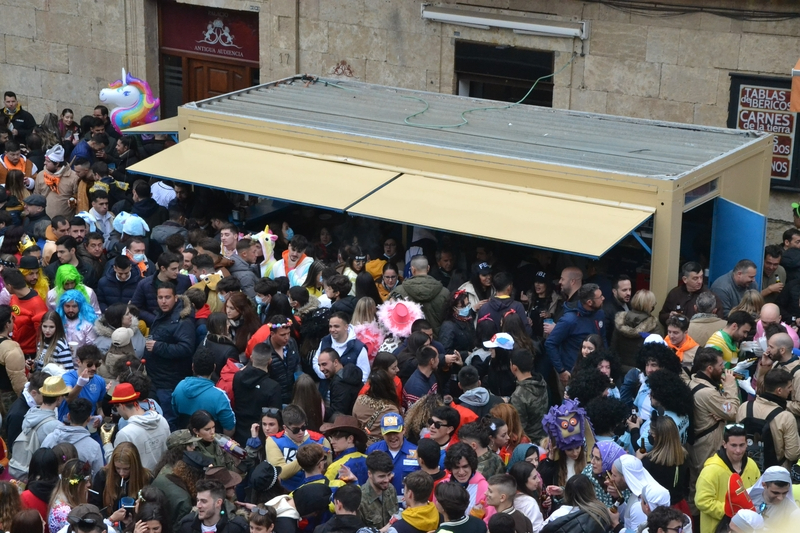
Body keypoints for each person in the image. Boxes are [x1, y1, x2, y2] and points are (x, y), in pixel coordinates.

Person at [144, 283, 197, 430]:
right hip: (156, 378)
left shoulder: (182, 320)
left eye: (167, 297)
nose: (163, 301)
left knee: (169, 421)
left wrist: (158, 346)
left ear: (175, 298)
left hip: (169, 382)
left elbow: (186, 348)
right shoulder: (162, 315)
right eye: (160, 297)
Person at [688, 348, 740, 486]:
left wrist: (721, 414)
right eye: (721, 365)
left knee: (696, 484)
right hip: (706, 447)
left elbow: (723, 410)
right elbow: (732, 412)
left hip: (696, 445)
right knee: (706, 484)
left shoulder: (694, 381)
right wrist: (730, 387)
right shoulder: (708, 393)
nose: (724, 368)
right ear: (710, 368)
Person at [695, 425, 761, 533]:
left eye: (742, 445)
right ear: (724, 444)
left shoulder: (752, 465)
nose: (738, 450)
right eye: (733, 445)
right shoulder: (711, 471)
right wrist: (733, 511)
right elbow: (702, 501)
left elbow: (757, 494)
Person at [545, 284, 606, 391]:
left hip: (595, 371)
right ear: (589, 302)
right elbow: (550, 343)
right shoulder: (569, 320)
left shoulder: (599, 314)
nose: (603, 298)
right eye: (600, 297)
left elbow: (603, 339)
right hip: (572, 373)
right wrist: (561, 370)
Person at [736, 368, 800, 469]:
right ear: (779, 390)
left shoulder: (744, 407)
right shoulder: (786, 417)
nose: (791, 390)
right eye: (789, 387)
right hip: (774, 473)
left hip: (744, 468)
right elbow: (793, 454)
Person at [103, 382, 170, 471]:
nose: (117, 411)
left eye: (116, 407)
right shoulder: (162, 420)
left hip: (140, 481)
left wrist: (106, 443)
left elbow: (116, 464)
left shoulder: (125, 433)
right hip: (161, 478)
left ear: (121, 406)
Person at [266, 404, 329, 491]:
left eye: (303, 427)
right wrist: (310, 456)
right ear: (285, 428)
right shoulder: (273, 441)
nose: (300, 432)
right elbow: (281, 473)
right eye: (296, 429)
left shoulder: (320, 440)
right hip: (287, 491)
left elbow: (329, 470)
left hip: (315, 490)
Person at [171, 347, 236, 433]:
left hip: (185, 440)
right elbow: (229, 430)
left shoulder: (179, 387)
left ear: (193, 366)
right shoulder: (220, 396)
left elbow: (175, 413)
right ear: (214, 367)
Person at [232, 343, 282, 445]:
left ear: (251, 358)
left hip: (239, 433)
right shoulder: (273, 387)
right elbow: (275, 416)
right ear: (270, 361)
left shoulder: (237, 377)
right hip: (261, 437)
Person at [639, 415, 689, 512]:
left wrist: (638, 462)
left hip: (659, 511)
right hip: (680, 508)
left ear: (656, 437)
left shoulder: (648, 462)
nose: (649, 435)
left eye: (650, 433)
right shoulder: (684, 456)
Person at [41, 398, 104, 475]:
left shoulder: (50, 438)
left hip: (51, 485)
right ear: (88, 419)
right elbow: (97, 475)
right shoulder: (93, 446)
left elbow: (41, 463)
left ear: (68, 416)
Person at [89, 441, 152, 515]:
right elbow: (95, 505)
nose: (121, 473)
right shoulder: (103, 475)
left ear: (135, 466)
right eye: (117, 468)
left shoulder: (146, 478)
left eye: (126, 469)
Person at [391, 256, 450, 336]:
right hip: (437, 341)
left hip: (410, 342)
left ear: (412, 269)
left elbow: (390, 320)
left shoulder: (399, 292)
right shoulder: (444, 292)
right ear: (428, 268)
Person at [131, 252, 192, 326]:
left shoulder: (184, 281)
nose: (177, 272)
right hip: (153, 325)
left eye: (178, 268)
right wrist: (154, 319)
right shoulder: (144, 284)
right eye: (173, 269)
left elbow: (189, 304)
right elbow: (135, 307)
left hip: (178, 324)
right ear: (163, 268)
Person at [606, 455, 663, 533]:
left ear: (625, 478)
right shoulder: (638, 493)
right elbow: (629, 517)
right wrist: (618, 498)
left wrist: (616, 525)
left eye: (614, 475)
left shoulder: (640, 504)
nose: (611, 479)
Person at [659, 262, 724, 326]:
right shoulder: (675, 293)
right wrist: (669, 316)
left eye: (701, 277)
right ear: (685, 279)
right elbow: (661, 316)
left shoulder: (710, 297)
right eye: (695, 278)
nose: (700, 281)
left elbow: (718, 320)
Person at [177, 478, 249, 533]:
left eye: (204, 501)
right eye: (198, 500)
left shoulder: (236, 528)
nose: (198, 505)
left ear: (218, 502)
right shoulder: (187, 525)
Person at [508, 349, 548, 443]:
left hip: (529, 443)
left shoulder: (518, 395)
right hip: (544, 437)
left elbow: (519, 427)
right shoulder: (541, 382)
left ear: (514, 367)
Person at [353, 370, 400, 444]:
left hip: (361, 444)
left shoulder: (360, 399)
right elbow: (393, 434)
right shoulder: (391, 409)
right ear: (389, 386)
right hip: (380, 447)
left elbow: (355, 421)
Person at [747, 466, 799, 530]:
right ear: (764, 485)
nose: (780, 498)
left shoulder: (792, 511)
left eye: (784, 493)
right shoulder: (750, 497)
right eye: (775, 493)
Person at [443, 442, 489, 516]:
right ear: (450, 468)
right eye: (456, 467)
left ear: (472, 465)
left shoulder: (484, 488)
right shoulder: (443, 486)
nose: (461, 472)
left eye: (465, 466)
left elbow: (488, 520)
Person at [358, 451, 399, 529]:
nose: (387, 480)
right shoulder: (361, 500)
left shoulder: (390, 489)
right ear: (370, 474)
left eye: (389, 474)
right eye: (381, 476)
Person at [318, 347, 363, 417]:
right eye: (319, 365)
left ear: (335, 362)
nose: (321, 369)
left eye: (324, 364)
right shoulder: (348, 375)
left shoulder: (339, 383)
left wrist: (319, 411)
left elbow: (337, 413)